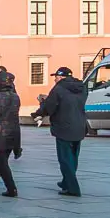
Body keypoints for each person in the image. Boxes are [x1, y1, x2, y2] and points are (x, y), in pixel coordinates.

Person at [32, 66, 87, 197]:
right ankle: (66, 181)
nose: (55, 79)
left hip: (63, 127)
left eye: (56, 76)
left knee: (64, 158)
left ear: (61, 77)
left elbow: (50, 107)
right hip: (79, 125)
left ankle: (73, 188)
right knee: (73, 157)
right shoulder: (82, 87)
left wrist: (38, 112)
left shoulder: (59, 88)